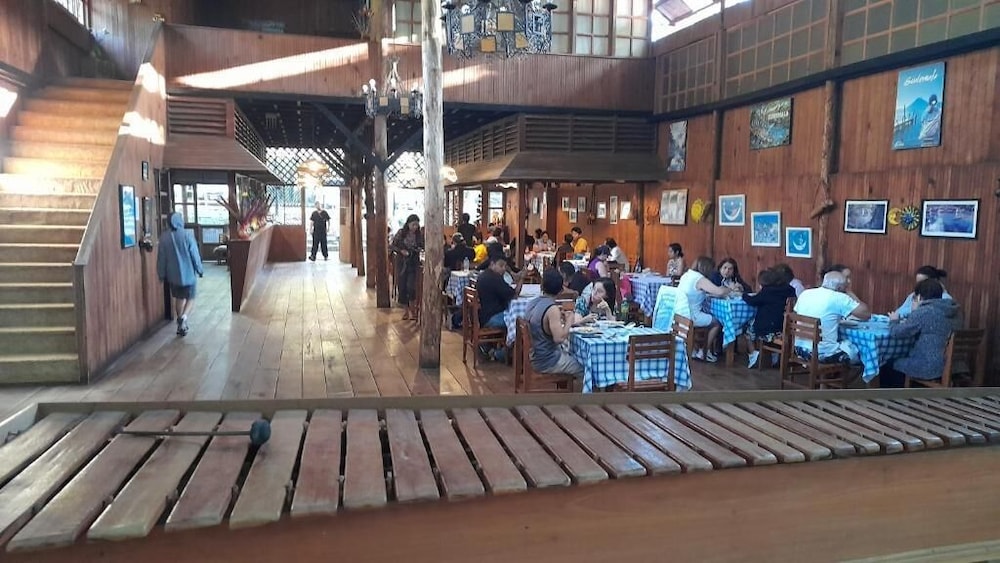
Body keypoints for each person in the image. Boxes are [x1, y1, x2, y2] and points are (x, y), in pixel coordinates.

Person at [881, 279, 961, 387]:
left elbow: (897, 333)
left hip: (928, 366)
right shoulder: (955, 311)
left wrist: (894, 321)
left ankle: (894, 396)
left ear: (919, 297)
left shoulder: (923, 312)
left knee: (886, 363)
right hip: (954, 365)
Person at [793, 271, 871, 364]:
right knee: (858, 351)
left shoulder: (805, 293)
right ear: (840, 288)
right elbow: (866, 314)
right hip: (821, 353)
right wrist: (849, 292)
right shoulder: (839, 297)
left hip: (798, 348)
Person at [525, 269, 585, 379]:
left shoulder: (532, 303)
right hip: (548, 361)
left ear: (542, 286)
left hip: (535, 355)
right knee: (586, 367)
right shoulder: (552, 309)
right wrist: (569, 321)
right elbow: (559, 338)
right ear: (561, 290)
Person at [157, 212, 204, 337]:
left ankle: (180, 324)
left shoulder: (164, 238)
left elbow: (161, 259)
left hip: (173, 275)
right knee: (191, 297)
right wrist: (199, 269)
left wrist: (161, 274)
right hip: (189, 273)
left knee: (179, 297)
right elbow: (194, 254)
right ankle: (184, 317)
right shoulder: (187, 235)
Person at [677, 256, 731, 362]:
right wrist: (730, 289)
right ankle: (703, 351)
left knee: (707, 319)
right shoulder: (700, 279)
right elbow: (719, 291)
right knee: (717, 323)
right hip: (692, 316)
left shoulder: (687, 275)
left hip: (680, 314)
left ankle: (694, 349)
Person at [742, 269, 796, 368]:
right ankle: (775, 355)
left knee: (746, 327)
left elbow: (752, 301)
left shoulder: (768, 291)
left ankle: (753, 354)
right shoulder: (790, 289)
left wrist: (743, 295)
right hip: (785, 327)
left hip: (769, 330)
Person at [390, 214, 425, 321]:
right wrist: (401, 251)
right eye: (413, 224)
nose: (415, 227)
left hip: (413, 263)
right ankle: (405, 311)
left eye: (417, 225)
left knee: (411, 287)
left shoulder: (419, 235)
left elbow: (422, 246)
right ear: (408, 224)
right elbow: (393, 246)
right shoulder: (401, 233)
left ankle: (413, 310)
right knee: (402, 287)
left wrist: (418, 249)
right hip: (402, 263)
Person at [476, 255, 523, 330]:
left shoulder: (484, 274)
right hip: (491, 317)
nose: (503, 269)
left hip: (482, 315)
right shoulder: (495, 278)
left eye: (505, 266)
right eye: (501, 266)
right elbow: (515, 295)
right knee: (520, 321)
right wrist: (521, 279)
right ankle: (513, 338)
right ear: (492, 264)